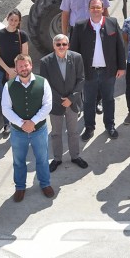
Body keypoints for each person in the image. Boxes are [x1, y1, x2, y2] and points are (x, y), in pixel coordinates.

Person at [70, 0, 126, 140]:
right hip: (88, 72)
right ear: (89, 9)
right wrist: (76, 72)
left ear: (102, 9)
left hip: (109, 72)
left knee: (108, 99)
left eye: (98, 7)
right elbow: (74, 51)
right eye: (93, 7)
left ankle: (110, 126)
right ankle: (89, 127)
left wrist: (122, 67)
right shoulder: (80, 26)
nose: (95, 10)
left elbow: (120, 46)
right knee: (88, 101)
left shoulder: (112, 22)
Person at [2, 54, 54, 202]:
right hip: (18, 133)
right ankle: (20, 187)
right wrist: (22, 124)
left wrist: (33, 121)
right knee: (18, 161)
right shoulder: (8, 86)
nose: (23, 68)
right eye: (20, 66)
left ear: (31, 65)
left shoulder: (43, 82)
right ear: (16, 68)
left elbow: (48, 105)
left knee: (42, 159)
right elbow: (6, 109)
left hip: (40, 130)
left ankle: (45, 184)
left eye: (26, 65)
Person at [37, 34, 87, 171]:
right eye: (58, 44)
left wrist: (71, 98)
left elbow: (81, 79)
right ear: (53, 46)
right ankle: (57, 158)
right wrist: (61, 100)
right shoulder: (45, 62)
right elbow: (45, 84)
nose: (61, 47)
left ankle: (75, 156)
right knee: (56, 133)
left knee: (73, 132)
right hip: (55, 104)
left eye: (64, 44)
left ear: (68, 45)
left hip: (72, 103)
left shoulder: (77, 58)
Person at [0, 8, 30, 137]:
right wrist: (8, 70)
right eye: (11, 19)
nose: (13, 22)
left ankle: (20, 123)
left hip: (18, 71)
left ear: (19, 21)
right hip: (3, 72)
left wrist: (15, 69)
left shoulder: (22, 35)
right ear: (7, 18)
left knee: (19, 98)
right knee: (5, 100)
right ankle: (6, 124)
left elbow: (24, 55)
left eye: (16, 20)